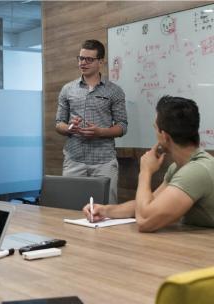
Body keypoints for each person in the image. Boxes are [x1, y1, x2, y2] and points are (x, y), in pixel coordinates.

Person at [83, 96, 214, 232]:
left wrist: (145, 171)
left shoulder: (197, 171)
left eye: (155, 128)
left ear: (164, 136)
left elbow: (145, 220)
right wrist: (105, 210)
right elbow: (148, 204)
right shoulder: (179, 167)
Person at [55, 39, 128, 204]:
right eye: (81, 58)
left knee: (107, 211)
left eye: (89, 59)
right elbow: (59, 123)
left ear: (100, 61)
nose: (83, 63)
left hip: (104, 161)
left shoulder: (114, 91)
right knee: (69, 208)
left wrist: (101, 132)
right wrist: (69, 128)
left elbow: (122, 126)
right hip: (74, 159)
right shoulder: (68, 90)